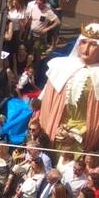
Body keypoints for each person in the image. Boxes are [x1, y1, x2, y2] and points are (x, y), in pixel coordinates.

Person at [39, 23, 99, 154]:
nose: (86, 49)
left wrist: (79, 134)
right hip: (57, 129)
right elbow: (46, 102)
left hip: (87, 136)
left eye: (93, 45)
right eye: (83, 42)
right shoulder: (61, 67)